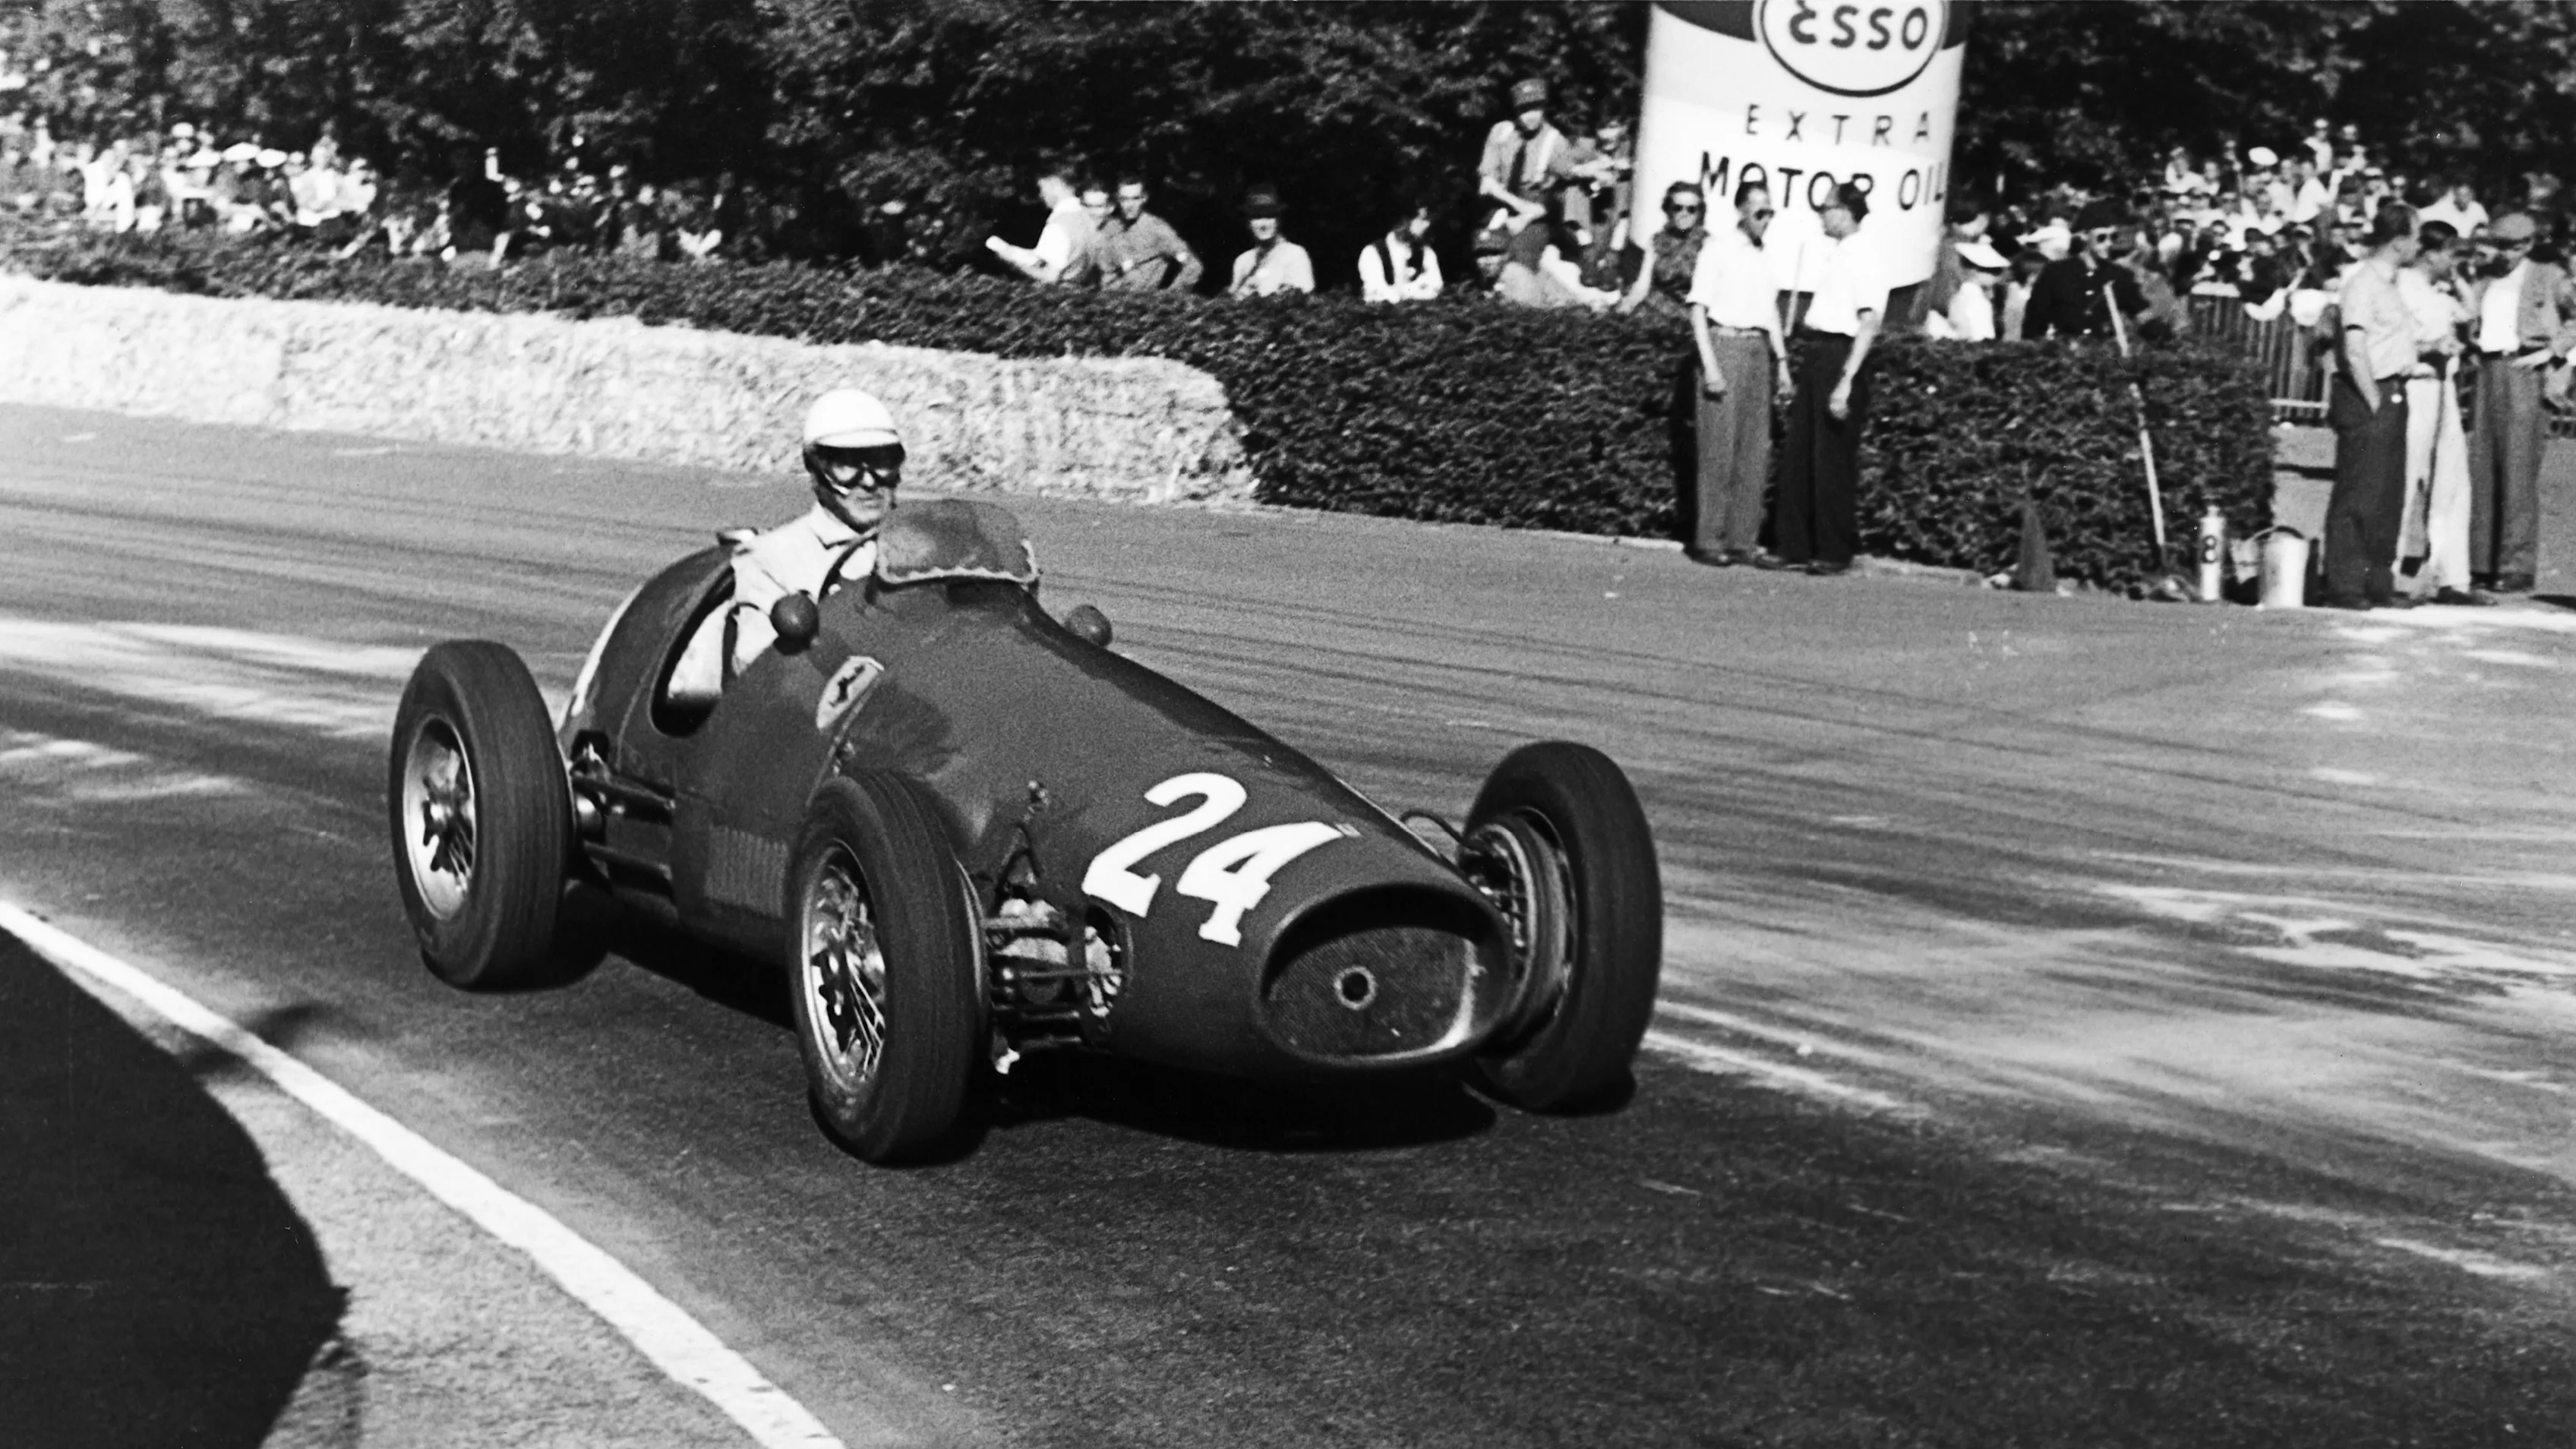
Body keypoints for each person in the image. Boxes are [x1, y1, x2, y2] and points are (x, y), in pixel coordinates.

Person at [672, 388, 907, 699]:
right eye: (848, 465)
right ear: (816, 471)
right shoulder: (772, 559)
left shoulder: (931, 544)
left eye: (882, 461)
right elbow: (764, 679)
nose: (868, 481)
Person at [1769, 183, 1885, 577]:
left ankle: (1833, 550)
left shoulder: (1864, 255)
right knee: (1800, 452)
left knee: (1832, 458)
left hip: (1840, 355)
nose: (1821, 214)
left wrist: (1847, 380)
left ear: (1847, 211)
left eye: (1827, 207)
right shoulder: (1838, 254)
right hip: (1819, 353)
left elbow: (1870, 321)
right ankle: (1794, 546)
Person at [2464, 212, 2576, 593]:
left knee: (2518, 469)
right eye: (2500, 246)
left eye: (2514, 247)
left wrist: (2553, 352)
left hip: (2525, 372)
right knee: (2483, 466)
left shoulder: (2550, 276)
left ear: (2528, 245)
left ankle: (2516, 565)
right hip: (2488, 370)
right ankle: (2481, 560)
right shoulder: (2485, 277)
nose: (2505, 254)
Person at [1682, 180, 1789, 567]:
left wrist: (1782, 364)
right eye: (1760, 212)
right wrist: (1709, 364)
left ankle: (1743, 539)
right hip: (1724, 344)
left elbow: (1771, 310)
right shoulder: (1718, 250)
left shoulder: (1766, 255)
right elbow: (1697, 309)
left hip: (1757, 350)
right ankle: (1709, 539)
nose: (1766, 219)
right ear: (1742, 210)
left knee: (1754, 448)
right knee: (1718, 448)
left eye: (1770, 212)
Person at [2322, 204, 2423, 611]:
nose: (2418, 244)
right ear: (2399, 240)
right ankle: (2345, 585)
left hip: (2393, 389)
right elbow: (2355, 347)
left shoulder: (2390, 284)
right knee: (2359, 493)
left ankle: (2377, 583)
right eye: (2415, 236)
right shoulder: (2363, 282)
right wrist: (2374, 399)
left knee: (2387, 494)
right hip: (2369, 392)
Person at [2396, 221, 2480, 605]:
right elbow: (2393, 339)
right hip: (2415, 385)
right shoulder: (2402, 285)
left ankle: (2452, 576)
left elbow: (2469, 314)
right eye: (2449, 253)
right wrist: (2429, 345)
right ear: (2431, 252)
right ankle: (2392, 570)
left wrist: (2458, 277)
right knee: (2406, 477)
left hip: (2444, 387)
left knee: (2453, 480)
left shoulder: (2439, 289)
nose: (2454, 260)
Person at [2021, 198, 2151, 339]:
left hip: (2103, 356)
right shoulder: (2056, 273)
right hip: (2063, 355)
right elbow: (2033, 324)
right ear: (2084, 236)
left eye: (2113, 237)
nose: (2108, 243)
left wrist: (2160, 330)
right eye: (2101, 238)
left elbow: (2143, 315)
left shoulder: (2120, 276)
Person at [1477, 77, 1572, 232]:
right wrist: (1520, 206)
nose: (1531, 116)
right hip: (1500, 202)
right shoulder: (1501, 132)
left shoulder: (1556, 141)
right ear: (1515, 111)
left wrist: (1526, 217)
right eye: (1524, 110)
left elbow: (1561, 192)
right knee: (1485, 244)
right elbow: (1487, 183)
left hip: (1536, 214)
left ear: (1544, 108)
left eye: (1536, 108)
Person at [986, 167, 1095, 286]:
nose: (1042, 195)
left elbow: (1049, 276)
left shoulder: (1058, 226)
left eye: (1042, 187)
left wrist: (1010, 260)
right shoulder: (1091, 216)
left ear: (1055, 184)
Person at [1616, 182, 1709, 319]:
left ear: (1699, 213)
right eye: (1678, 208)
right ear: (1668, 210)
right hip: (1656, 308)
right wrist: (1627, 305)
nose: (1684, 214)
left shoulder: (1707, 244)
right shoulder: (1656, 241)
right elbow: (1643, 284)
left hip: (1691, 315)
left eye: (1691, 209)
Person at [1096, 175, 1202, 292]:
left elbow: (1194, 266)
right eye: (1124, 199)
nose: (1129, 205)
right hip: (1105, 300)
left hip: (1138, 303)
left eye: (1135, 198)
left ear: (1144, 198)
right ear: (1117, 199)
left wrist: (1170, 296)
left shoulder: (1157, 229)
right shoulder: (1111, 226)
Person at [1229, 185, 1313, 297]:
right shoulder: (1243, 261)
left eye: (1269, 217)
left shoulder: (1295, 255)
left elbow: (1301, 299)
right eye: (1257, 218)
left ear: (1278, 221)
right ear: (1248, 224)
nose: (1263, 224)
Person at [1358, 201, 1443, 303]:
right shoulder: (1373, 253)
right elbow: (1376, 294)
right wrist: (1417, 288)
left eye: (1429, 220)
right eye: (1422, 220)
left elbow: (1435, 287)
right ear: (1404, 221)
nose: (1427, 225)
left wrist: (1404, 291)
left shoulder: (1426, 253)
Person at [1924, 238, 2007, 340]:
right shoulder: (1979, 303)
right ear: (1976, 271)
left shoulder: (1959, 297)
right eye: (1994, 271)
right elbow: (1984, 341)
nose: (1997, 277)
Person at [2419, 177, 2489, 238]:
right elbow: (2424, 214)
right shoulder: (2444, 207)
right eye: (2460, 195)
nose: (2463, 200)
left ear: (2472, 194)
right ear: (2454, 194)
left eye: (2466, 195)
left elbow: (2484, 226)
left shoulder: (2477, 208)